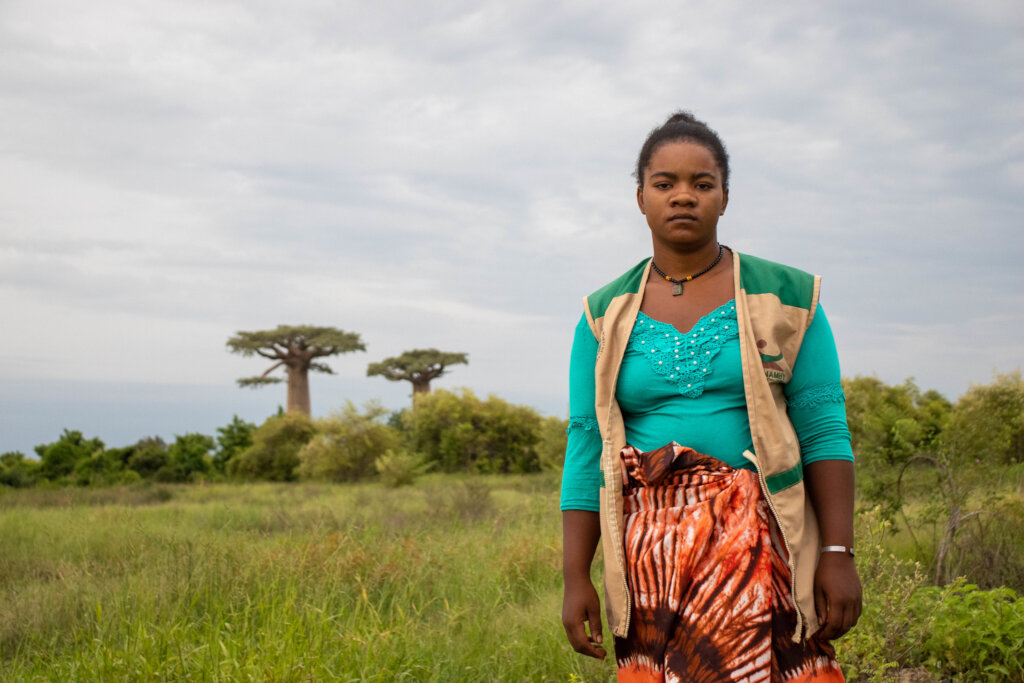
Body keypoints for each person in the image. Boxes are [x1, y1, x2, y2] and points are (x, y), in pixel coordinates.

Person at [560, 111, 862, 681]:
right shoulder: (603, 315)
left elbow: (824, 428)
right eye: (664, 183)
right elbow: (586, 445)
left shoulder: (788, 298)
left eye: (703, 184)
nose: (683, 197)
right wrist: (577, 575)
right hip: (650, 556)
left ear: (725, 198)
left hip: (763, 539)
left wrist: (837, 554)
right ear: (640, 198)